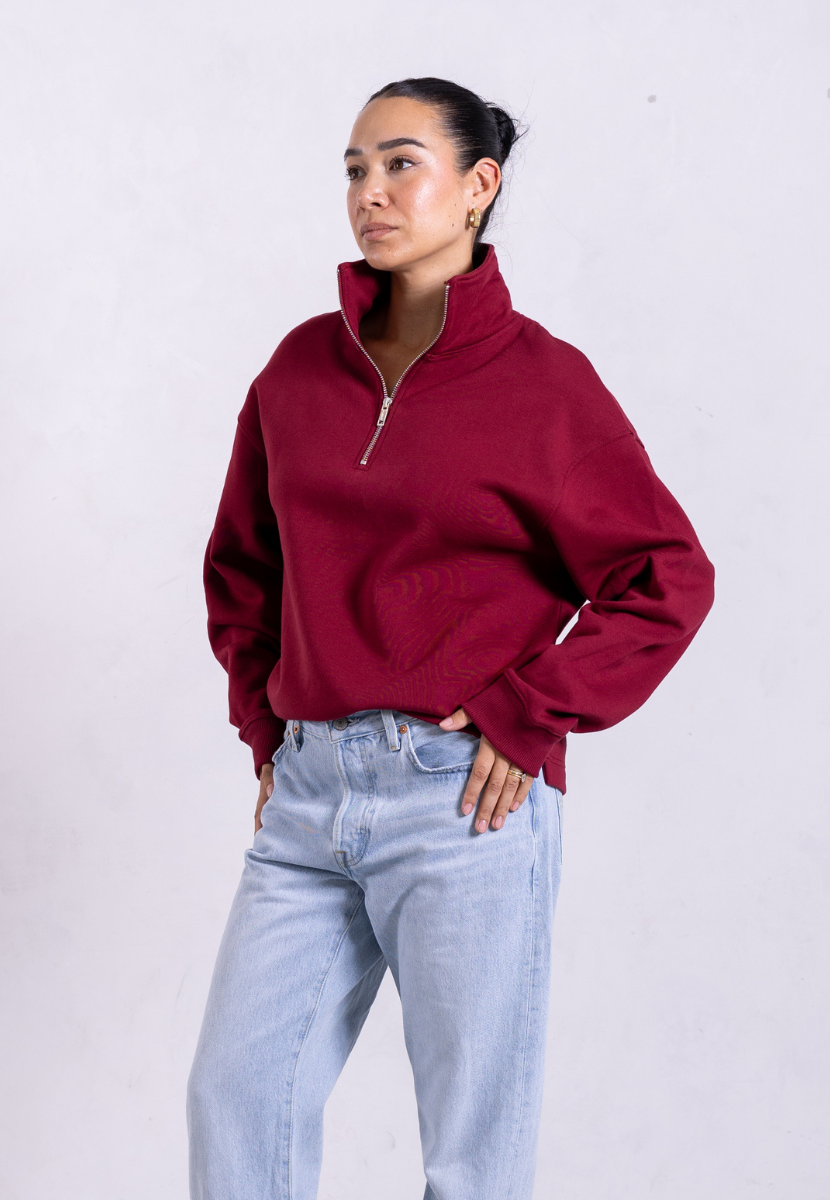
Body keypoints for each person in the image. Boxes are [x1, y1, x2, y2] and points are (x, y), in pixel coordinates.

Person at [186, 76, 715, 1200]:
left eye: (399, 164)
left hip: (464, 802)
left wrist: (526, 713)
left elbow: (664, 576)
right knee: (236, 1098)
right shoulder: (297, 371)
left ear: (479, 186)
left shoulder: (542, 384)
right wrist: (266, 729)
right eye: (353, 168)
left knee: (471, 1155)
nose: (368, 192)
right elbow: (242, 568)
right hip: (307, 799)